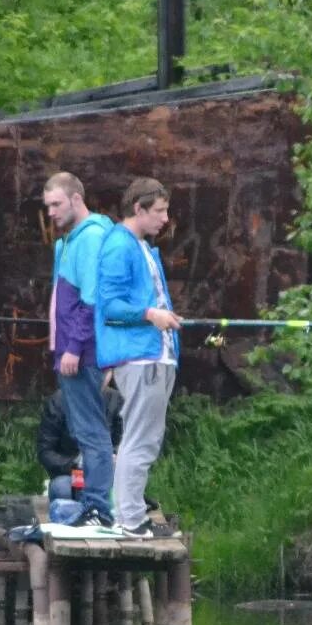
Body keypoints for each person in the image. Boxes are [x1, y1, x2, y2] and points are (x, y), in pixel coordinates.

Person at [95, 178, 182, 539]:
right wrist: (151, 315)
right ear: (138, 209)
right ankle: (130, 519)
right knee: (139, 439)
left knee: (146, 438)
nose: (165, 218)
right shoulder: (119, 245)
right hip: (140, 356)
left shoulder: (142, 246)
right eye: (159, 211)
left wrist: (165, 319)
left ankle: (130, 516)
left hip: (156, 354)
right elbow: (110, 307)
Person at [45, 172, 116, 526]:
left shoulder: (90, 239)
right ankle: (93, 503)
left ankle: (98, 508)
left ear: (76, 199)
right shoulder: (70, 240)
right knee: (84, 428)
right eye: (48, 206)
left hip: (83, 352)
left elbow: (90, 300)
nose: (51, 212)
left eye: (56, 204)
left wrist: (72, 347)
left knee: (91, 431)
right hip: (72, 351)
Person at [37, 386, 125, 501]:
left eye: (104, 372)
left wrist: (114, 456)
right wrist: (77, 463)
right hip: (72, 473)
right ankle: (93, 504)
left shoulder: (116, 399)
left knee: (126, 485)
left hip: (106, 473)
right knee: (62, 489)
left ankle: (99, 503)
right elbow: (45, 452)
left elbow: (124, 442)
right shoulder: (59, 400)